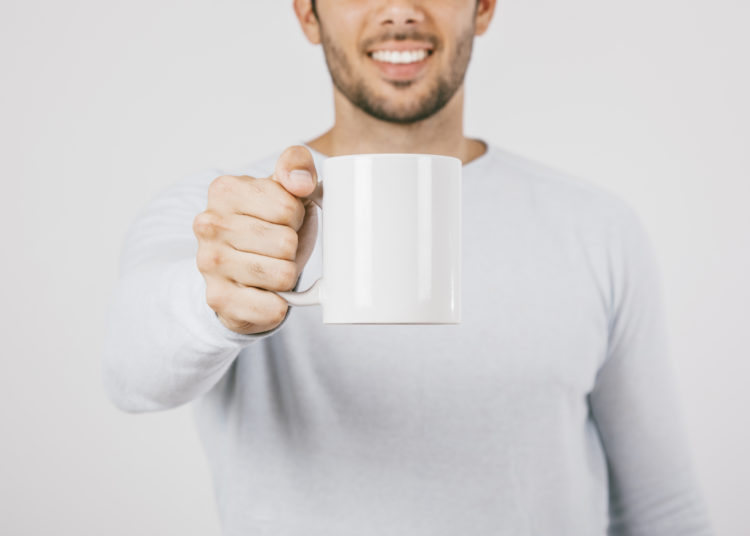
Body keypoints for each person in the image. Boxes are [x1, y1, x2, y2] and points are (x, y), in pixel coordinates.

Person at [101, 1, 713, 534]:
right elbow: (133, 372)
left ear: (484, 7)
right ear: (308, 14)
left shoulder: (598, 228)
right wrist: (220, 303)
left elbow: (661, 511)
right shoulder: (223, 217)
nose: (399, 10)